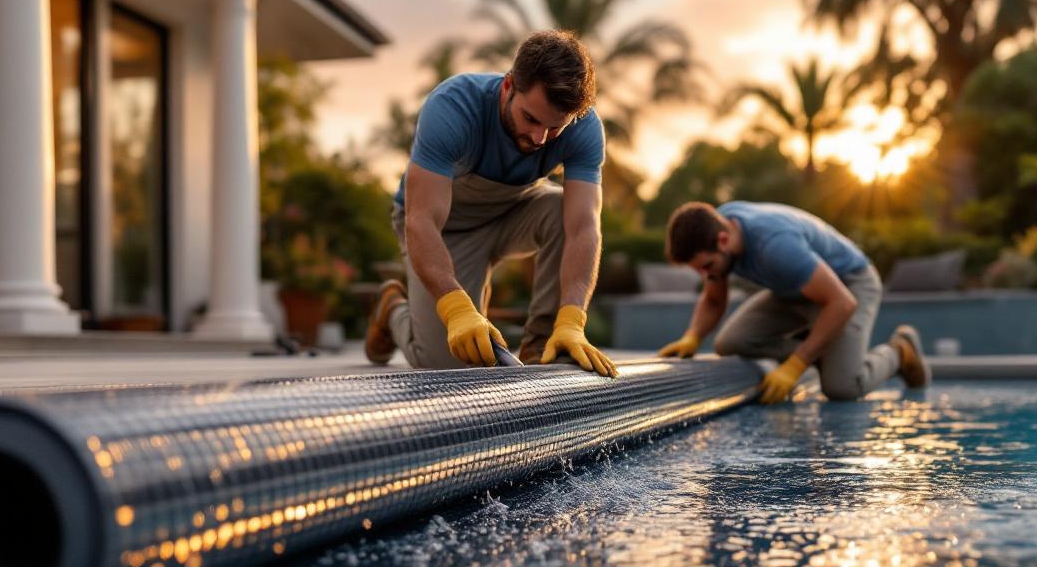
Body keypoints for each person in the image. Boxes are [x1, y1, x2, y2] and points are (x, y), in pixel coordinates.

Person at [364, 30, 617, 377]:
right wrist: (456, 309)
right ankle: (392, 307)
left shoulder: (585, 128)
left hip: (514, 211)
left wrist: (573, 318)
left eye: (555, 128)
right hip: (446, 229)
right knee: (446, 363)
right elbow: (420, 221)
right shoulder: (453, 107)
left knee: (564, 209)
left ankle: (544, 347)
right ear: (509, 86)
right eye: (531, 119)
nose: (539, 138)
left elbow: (583, 227)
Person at [657, 200, 930, 402]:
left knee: (842, 387)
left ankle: (900, 351)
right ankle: (827, 353)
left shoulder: (775, 244)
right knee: (730, 344)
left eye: (707, 266)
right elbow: (715, 300)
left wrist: (796, 364)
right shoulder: (717, 228)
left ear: (724, 240)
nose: (706, 276)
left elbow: (842, 303)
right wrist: (692, 336)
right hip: (794, 289)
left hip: (849, 285)